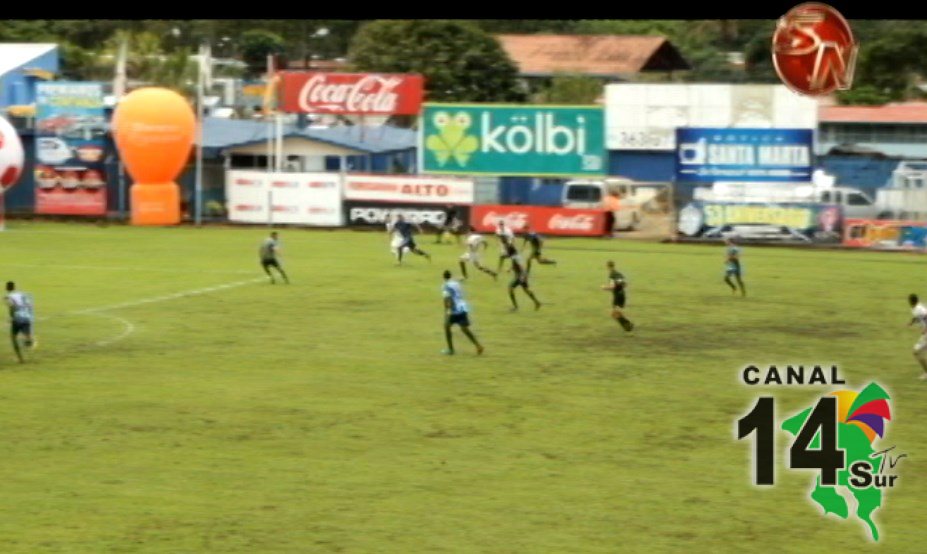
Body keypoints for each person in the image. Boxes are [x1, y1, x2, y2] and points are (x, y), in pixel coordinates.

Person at [441, 270, 484, 356]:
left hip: (454, 309)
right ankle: (478, 346)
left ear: (444, 277)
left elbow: (447, 299)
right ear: (450, 276)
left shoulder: (445, 286)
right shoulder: (456, 283)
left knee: (446, 326)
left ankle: (450, 350)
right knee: (464, 328)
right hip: (463, 306)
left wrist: (447, 311)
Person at [5, 281, 35, 363]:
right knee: (26, 334)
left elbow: (12, 306)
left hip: (17, 318)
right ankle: (29, 339)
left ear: (6, 288)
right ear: (14, 287)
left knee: (13, 337)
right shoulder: (21, 294)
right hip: (26, 316)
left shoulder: (8, 297)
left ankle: (20, 358)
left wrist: (11, 317)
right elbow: (29, 304)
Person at [601, 261, 635, 332]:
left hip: (617, 296)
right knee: (617, 313)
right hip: (622, 295)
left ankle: (629, 325)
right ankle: (628, 327)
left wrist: (604, 287)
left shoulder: (612, 274)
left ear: (608, 267)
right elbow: (625, 284)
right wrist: (619, 287)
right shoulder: (619, 274)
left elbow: (612, 286)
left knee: (614, 314)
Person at [506, 247, 541, 312]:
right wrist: (510, 269)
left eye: (507, 251)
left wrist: (521, 276)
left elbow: (520, 266)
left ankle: (515, 307)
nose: (506, 252)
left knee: (510, 288)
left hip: (520, 276)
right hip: (523, 275)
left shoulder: (514, 258)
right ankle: (537, 302)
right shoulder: (516, 256)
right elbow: (516, 265)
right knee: (526, 290)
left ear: (510, 252)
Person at [909, 293, 927, 380]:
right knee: (917, 352)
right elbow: (916, 317)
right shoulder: (915, 308)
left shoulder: (919, 309)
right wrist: (911, 322)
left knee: (916, 352)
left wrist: (925, 329)